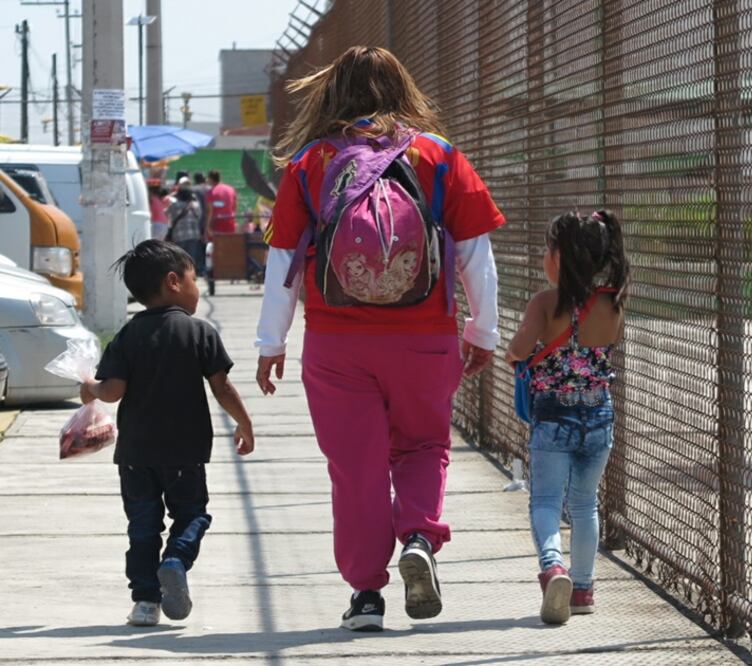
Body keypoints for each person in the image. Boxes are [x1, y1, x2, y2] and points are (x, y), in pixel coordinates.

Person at [255, 46, 503, 632]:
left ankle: (366, 595)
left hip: (337, 344)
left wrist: (271, 343)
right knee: (421, 446)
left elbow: (282, 261)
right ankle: (418, 534)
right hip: (425, 337)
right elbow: (476, 256)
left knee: (356, 468)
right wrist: (482, 329)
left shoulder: (310, 163)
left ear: (332, 93)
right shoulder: (437, 155)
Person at [80, 240, 255, 627]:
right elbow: (222, 387)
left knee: (142, 526)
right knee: (192, 514)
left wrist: (90, 387)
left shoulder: (127, 335)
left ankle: (145, 602)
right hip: (185, 452)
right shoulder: (199, 332)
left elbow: (112, 391)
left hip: (136, 455)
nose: (198, 285)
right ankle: (176, 559)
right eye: (195, 278)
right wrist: (244, 423)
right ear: (174, 281)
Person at [505, 210, 629, 625]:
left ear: (559, 258)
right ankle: (583, 589)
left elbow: (519, 350)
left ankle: (553, 567)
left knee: (545, 500)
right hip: (598, 415)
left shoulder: (544, 303)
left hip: (553, 416)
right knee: (584, 504)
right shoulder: (612, 303)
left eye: (547, 249)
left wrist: (515, 350)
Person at [165, 178, 205, 275]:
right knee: (191, 258)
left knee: (179, 258)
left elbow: (167, 214)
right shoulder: (195, 205)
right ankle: (190, 276)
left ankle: (181, 276)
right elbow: (199, 217)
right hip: (193, 235)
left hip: (179, 235)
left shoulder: (175, 205)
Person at [205, 170, 238, 235]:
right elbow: (234, 207)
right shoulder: (231, 189)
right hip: (230, 221)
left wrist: (207, 227)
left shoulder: (210, 192)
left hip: (217, 223)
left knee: (218, 243)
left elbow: (210, 212)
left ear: (210, 179)